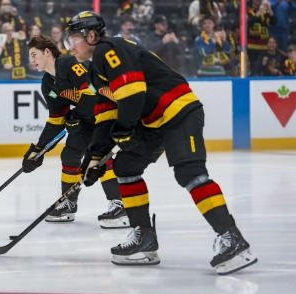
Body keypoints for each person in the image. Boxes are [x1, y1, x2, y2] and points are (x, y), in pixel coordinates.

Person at [64, 10, 257, 275]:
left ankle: (232, 237)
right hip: (153, 121)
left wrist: (123, 130)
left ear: (92, 36)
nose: (69, 47)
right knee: (125, 167)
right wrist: (95, 158)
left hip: (178, 112)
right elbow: (107, 115)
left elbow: (133, 92)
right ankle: (144, 238)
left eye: (73, 39)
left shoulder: (110, 49)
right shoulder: (97, 71)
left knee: (190, 172)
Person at [22, 34, 129, 228]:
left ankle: (120, 204)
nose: (32, 60)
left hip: (106, 111)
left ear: (47, 52)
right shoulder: (48, 83)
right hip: (85, 119)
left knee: (100, 156)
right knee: (70, 155)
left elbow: (92, 92)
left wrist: (77, 115)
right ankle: (69, 203)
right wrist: (38, 150)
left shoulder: (69, 63)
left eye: (34, 54)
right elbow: (56, 120)